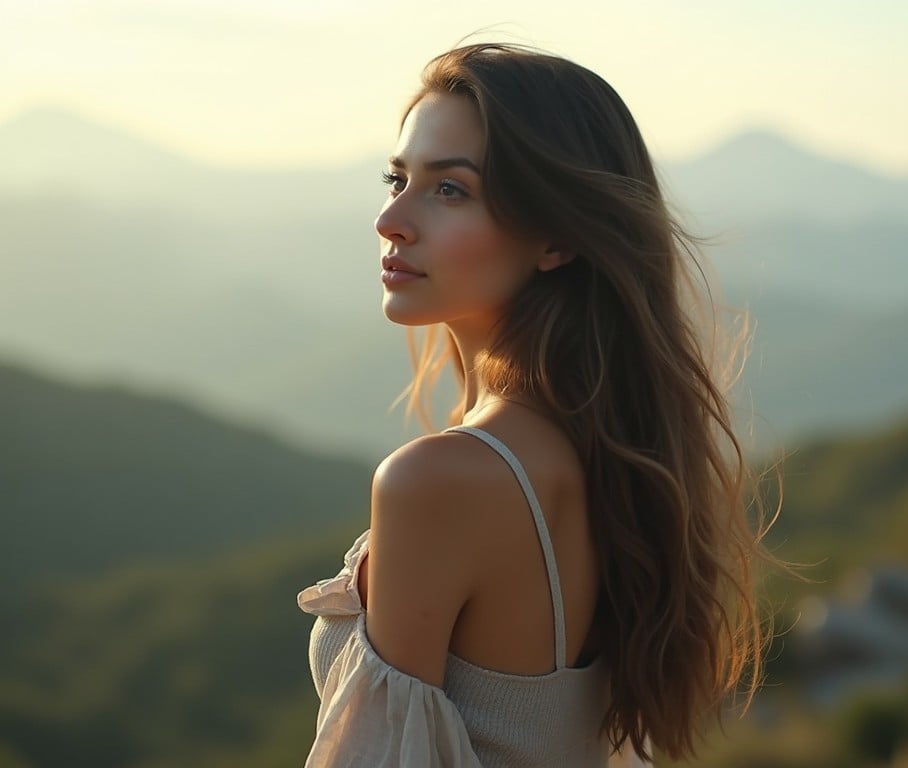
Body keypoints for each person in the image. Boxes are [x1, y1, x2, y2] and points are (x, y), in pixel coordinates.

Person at [297, 42, 772, 767]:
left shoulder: (440, 480)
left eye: (450, 190)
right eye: (397, 178)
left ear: (554, 238)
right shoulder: (612, 447)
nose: (391, 219)